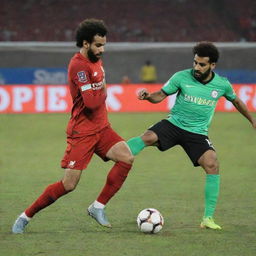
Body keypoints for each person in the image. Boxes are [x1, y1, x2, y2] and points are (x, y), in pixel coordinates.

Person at [12, 19, 134, 234]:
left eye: (104, 44)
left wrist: (101, 90)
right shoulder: (78, 65)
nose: (102, 49)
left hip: (102, 128)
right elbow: (92, 103)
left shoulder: (97, 60)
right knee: (69, 184)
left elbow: (98, 97)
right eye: (98, 45)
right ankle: (25, 216)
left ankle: (98, 207)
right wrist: (104, 89)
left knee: (126, 157)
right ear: (86, 43)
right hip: (83, 132)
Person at [127, 42, 256, 230]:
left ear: (212, 65)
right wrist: (148, 96)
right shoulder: (181, 77)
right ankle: (118, 153)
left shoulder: (221, 84)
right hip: (174, 124)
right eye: (195, 62)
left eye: (202, 64)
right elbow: (160, 96)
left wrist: (251, 120)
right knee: (147, 137)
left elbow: (236, 101)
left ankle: (207, 219)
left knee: (212, 163)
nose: (196, 67)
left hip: (197, 133)